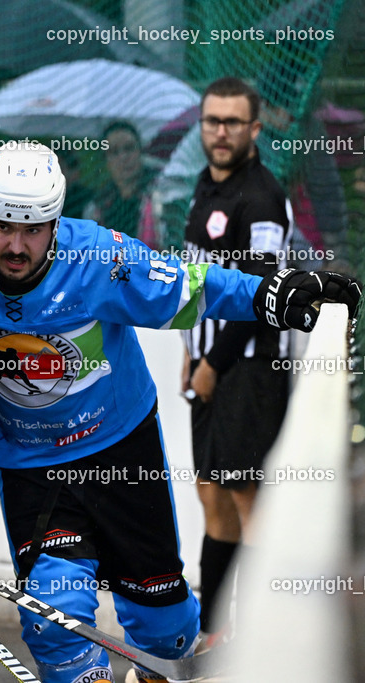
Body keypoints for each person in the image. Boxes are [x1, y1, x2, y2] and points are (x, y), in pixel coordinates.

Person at [0, 143, 360, 683]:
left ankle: (162, 656)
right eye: (2, 228)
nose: (16, 246)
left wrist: (273, 296)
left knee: (164, 627)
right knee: (53, 621)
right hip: (32, 470)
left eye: (34, 229)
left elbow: (189, 286)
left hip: (120, 449)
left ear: (57, 221)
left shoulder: (98, 259)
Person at [180, 76, 296, 645]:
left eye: (232, 122)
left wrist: (212, 364)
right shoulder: (205, 186)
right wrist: (189, 353)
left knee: (249, 498)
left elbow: (264, 292)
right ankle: (214, 632)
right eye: (211, 121)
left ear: (254, 129)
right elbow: (195, 280)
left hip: (248, 370)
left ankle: (262, 637)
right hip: (206, 366)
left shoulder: (263, 198)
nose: (220, 132)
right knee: (211, 494)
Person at [84, 121, 159, 248]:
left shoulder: (162, 196)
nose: (123, 157)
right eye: (114, 152)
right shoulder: (97, 207)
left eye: (129, 148)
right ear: (106, 161)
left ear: (141, 151)